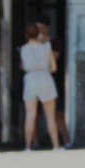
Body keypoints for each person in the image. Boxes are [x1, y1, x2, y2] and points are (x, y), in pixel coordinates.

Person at [20, 23, 61, 151]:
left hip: (30, 79)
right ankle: (56, 145)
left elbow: (22, 66)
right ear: (38, 33)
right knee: (50, 115)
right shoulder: (47, 47)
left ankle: (28, 146)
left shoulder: (24, 49)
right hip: (45, 78)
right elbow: (53, 67)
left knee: (30, 115)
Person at [35, 14, 70, 148]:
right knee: (34, 114)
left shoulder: (54, 43)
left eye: (42, 29)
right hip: (37, 80)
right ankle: (35, 143)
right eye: (38, 29)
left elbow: (53, 59)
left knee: (58, 113)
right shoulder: (32, 44)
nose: (40, 32)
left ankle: (66, 141)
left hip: (52, 80)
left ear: (48, 28)